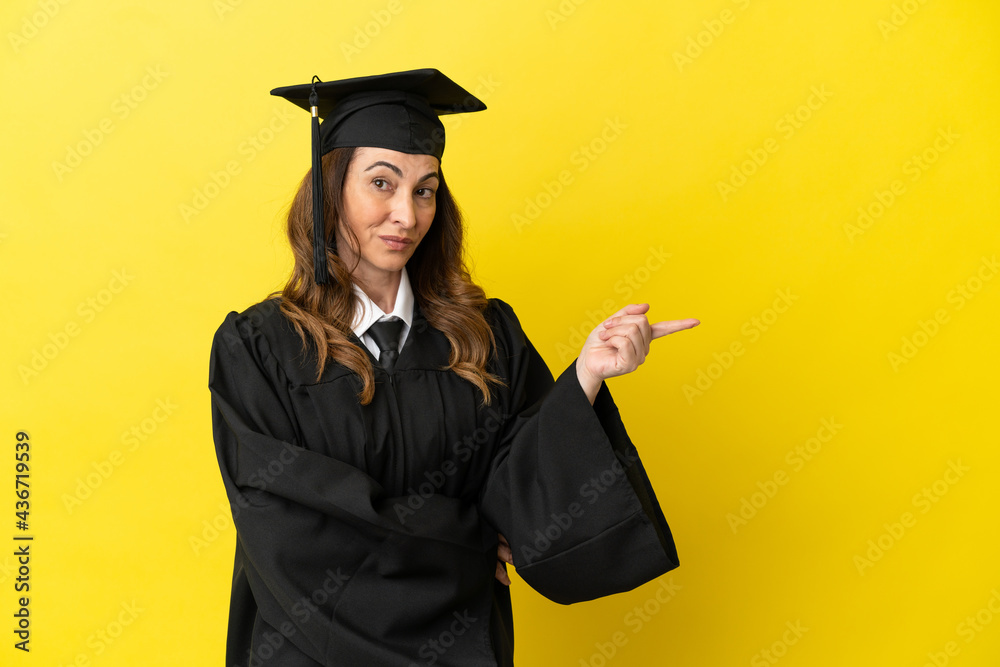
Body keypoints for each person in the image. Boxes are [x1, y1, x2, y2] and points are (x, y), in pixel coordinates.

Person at [208, 68, 699, 667]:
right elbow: (290, 527)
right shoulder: (259, 348)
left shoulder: (484, 335)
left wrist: (585, 379)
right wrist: (469, 542)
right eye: (381, 183)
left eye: (425, 190)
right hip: (307, 653)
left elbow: (519, 494)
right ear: (330, 190)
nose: (407, 215)